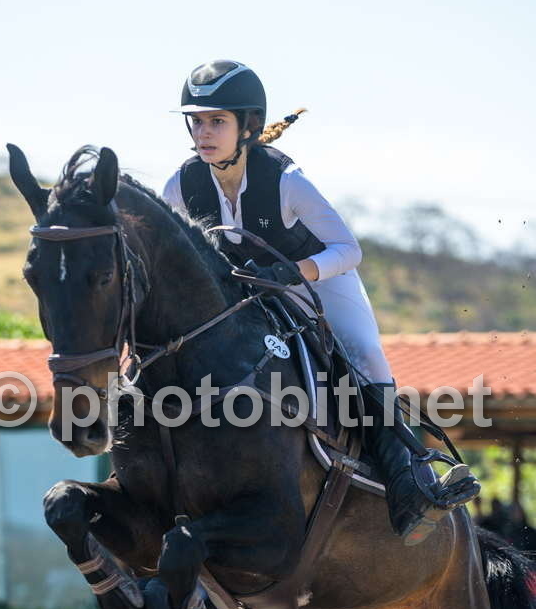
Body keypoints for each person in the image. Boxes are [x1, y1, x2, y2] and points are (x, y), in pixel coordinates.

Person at [163, 59, 480, 545]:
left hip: (319, 283)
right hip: (247, 295)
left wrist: (294, 272)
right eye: (197, 121)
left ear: (248, 126)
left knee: (365, 355)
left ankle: (410, 483)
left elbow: (349, 250)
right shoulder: (181, 186)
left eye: (217, 121)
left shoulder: (286, 181)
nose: (203, 132)